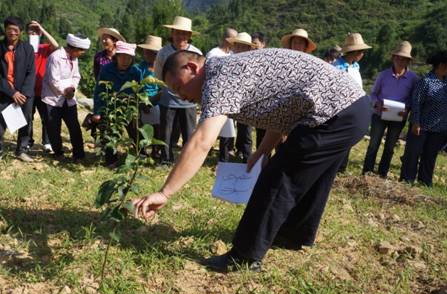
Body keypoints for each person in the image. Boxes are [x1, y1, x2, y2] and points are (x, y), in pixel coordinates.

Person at [133, 49, 370, 272]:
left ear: (192, 67)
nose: (181, 96)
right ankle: (293, 236)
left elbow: (202, 141)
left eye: (178, 86)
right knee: (310, 176)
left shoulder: (218, 78)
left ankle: (245, 256)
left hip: (336, 110)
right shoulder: (229, 69)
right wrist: (263, 150)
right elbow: (283, 110)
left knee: (279, 177)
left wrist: (165, 193)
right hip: (350, 109)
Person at [362, 41, 418, 178]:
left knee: (390, 147)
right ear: (393, 58)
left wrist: (408, 108)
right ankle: (367, 172)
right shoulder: (383, 75)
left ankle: (382, 173)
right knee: (373, 144)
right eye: (397, 57)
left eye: (403, 59)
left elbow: (414, 97)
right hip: (379, 114)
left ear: (408, 61)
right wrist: (377, 104)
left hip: (398, 116)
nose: (400, 61)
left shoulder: (413, 79)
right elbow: (374, 93)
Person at [154, 16, 203, 164]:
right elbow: (158, 74)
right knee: (166, 132)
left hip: (189, 101)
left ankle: (188, 161)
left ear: (189, 36)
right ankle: (166, 159)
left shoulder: (196, 52)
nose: (180, 36)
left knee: (189, 133)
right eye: (177, 32)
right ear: (172, 34)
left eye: (184, 33)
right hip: (168, 98)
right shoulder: (163, 52)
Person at [400, 51, 447, 186]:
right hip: (421, 125)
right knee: (413, 154)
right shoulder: (425, 81)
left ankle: (425, 181)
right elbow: (416, 103)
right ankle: (407, 180)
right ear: (442, 65)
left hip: (439, 127)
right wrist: (416, 122)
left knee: (430, 156)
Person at [41, 34, 91, 162]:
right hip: (52, 98)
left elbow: (76, 76)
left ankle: (79, 154)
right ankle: (58, 153)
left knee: (74, 126)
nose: (82, 53)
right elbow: (53, 80)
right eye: (81, 50)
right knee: (53, 127)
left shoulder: (74, 58)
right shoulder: (56, 57)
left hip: (69, 98)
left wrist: (72, 89)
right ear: (74, 48)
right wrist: (65, 91)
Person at [93, 41, 142, 166]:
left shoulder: (136, 72)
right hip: (110, 107)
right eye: (123, 57)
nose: (126, 60)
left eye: (129, 58)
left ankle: (138, 155)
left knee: (135, 131)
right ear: (117, 56)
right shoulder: (106, 70)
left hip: (128, 107)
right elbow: (99, 90)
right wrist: (97, 111)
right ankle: (111, 159)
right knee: (109, 133)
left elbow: (139, 91)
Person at [334, 32, 372, 172]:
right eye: (361, 51)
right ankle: (336, 166)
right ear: (354, 52)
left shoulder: (355, 66)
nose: (362, 54)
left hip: (354, 106)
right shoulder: (338, 66)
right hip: (341, 107)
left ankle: (342, 166)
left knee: (348, 137)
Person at [0, 16, 36, 162]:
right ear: (5, 30)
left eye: (15, 30)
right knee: (0, 122)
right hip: (4, 91)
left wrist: (24, 94)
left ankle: (21, 150)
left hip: (24, 93)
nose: (12, 32)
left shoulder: (28, 48)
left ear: (20, 32)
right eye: (9, 29)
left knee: (26, 121)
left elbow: (30, 72)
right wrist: (12, 92)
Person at [26, 20, 59, 154]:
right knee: (28, 117)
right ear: (26, 33)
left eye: (36, 31)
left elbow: (56, 46)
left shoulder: (44, 48)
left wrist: (42, 29)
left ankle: (47, 142)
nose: (33, 33)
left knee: (47, 117)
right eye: (31, 30)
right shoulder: (23, 47)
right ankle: (28, 142)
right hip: (28, 90)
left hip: (44, 90)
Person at [206, 28, 238, 162]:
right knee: (212, 128)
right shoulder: (214, 54)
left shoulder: (232, 54)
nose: (236, 43)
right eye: (234, 39)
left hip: (229, 98)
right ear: (227, 40)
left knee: (228, 129)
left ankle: (224, 158)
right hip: (217, 98)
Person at [227, 32, 257, 162]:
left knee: (246, 131)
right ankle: (234, 152)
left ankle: (247, 158)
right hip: (231, 101)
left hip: (247, 102)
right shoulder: (229, 62)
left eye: (243, 46)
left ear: (249, 48)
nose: (240, 49)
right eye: (238, 46)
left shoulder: (253, 64)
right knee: (231, 129)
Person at [136, 35, 163, 159]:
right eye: (145, 52)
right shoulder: (140, 68)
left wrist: (151, 102)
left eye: (150, 52)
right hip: (142, 100)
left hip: (156, 101)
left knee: (157, 127)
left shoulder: (161, 68)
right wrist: (142, 102)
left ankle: (155, 150)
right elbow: (137, 86)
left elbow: (163, 88)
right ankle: (142, 151)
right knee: (142, 127)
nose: (146, 54)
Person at [251, 32, 267, 148]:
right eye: (252, 43)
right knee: (260, 131)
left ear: (263, 44)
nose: (254, 46)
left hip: (267, 100)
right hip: (254, 101)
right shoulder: (249, 58)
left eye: (256, 43)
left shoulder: (268, 59)